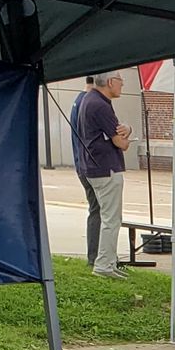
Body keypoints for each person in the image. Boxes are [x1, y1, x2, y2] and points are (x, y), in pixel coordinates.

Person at [74, 70, 131, 278]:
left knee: (105, 216)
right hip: (106, 168)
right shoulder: (100, 105)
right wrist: (128, 133)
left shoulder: (88, 100)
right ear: (110, 82)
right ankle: (104, 265)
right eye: (120, 81)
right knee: (111, 219)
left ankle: (106, 261)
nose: (122, 85)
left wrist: (124, 130)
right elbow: (121, 142)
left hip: (93, 167)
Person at [67, 75, 100, 268]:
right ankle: (95, 257)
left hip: (82, 164)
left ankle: (97, 256)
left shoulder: (78, 101)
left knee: (96, 209)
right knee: (98, 210)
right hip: (90, 167)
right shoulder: (88, 103)